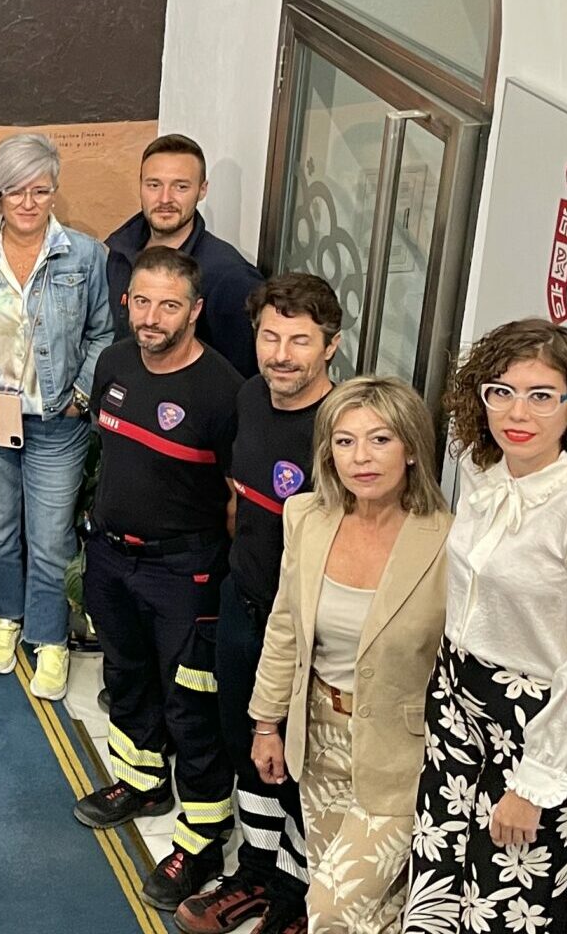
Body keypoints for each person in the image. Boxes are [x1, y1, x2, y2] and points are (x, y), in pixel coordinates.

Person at [402, 319, 567, 934]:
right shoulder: (487, 478)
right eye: (500, 391)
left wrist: (535, 780)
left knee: (507, 915)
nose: (517, 412)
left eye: (541, 396)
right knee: (433, 899)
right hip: (457, 706)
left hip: (536, 725)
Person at [70, 247, 245, 910]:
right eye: (141, 301)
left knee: (191, 706)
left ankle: (198, 842)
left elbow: (236, 499)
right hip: (113, 558)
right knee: (125, 676)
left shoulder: (224, 393)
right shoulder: (114, 363)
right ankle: (141, 781)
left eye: (168, 305)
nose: (151, 316)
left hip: (186, 569)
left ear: (195, 311)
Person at [248, 375, 450, 934]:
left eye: (380, 440)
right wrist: (267, 722)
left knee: (332, 909)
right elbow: (285, 625)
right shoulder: (308, 518)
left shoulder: (449, 540)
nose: (361, 457)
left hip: (399, 756)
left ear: (411, 448)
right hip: (318, 742)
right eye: (344, 441)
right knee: (370, 914)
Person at [175, 273, 342, 934]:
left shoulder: (347, 426)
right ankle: (257, 871)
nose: (281, 354)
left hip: (314, 635)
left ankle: (299, 891)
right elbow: (240, 500)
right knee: (250, 748)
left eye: (299, 341)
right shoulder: (249, 396)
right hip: (246, 608)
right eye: (270, 336)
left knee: (306, 765)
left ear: (331, 345)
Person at [0, 132, 111, 697]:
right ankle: (5, 617)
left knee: (50, 539)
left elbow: (103, 333)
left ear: (54, 193)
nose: (28, 202)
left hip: (56, 424)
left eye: (40, 190)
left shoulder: (85, 256)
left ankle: (49, 638)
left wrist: (80, 394)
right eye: (15, 191)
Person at [103, 135, 264, 375]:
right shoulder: (120, 254)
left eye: (181, 186)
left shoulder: (229, 276)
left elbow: (240, 378)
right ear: (140, 186)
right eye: (154, 185)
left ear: (202, 190)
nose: (165, 199)